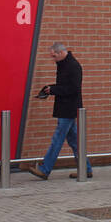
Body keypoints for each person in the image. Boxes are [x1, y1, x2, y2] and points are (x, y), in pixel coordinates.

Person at [27, 42, 93, 180]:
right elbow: (65, 86)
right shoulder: (65, 65)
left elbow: (73, 89)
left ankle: (45, 169)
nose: (53, 59)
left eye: (54, 56)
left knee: (57, 139)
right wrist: (51, 88)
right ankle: (86, 169)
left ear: (61, 53)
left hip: (68, 108)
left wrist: (54, 90)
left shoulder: (73, 66)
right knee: (74, 141)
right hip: (66, 107)